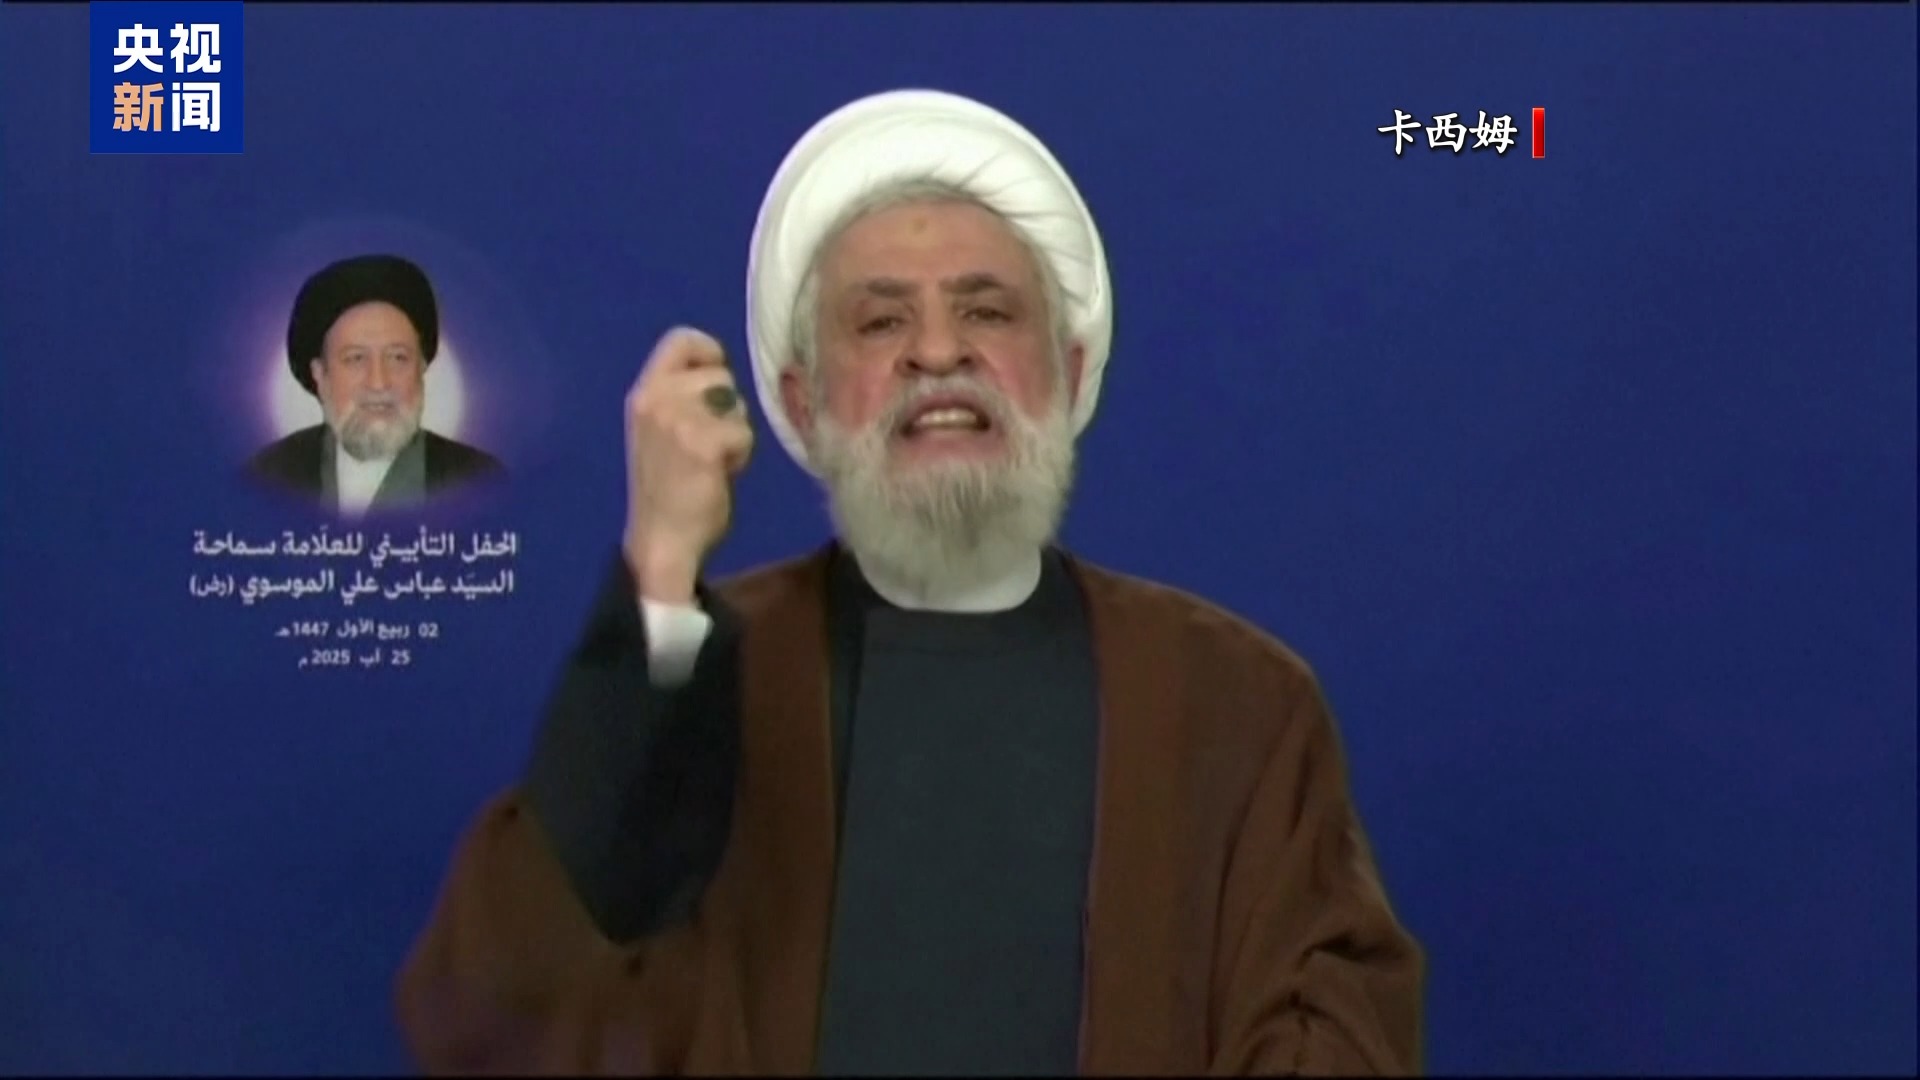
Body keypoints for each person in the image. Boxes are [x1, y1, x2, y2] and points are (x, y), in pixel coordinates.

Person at [394, 89, 1424, 1075]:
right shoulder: (707, 677)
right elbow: (504, 999)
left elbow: (1327, 1024)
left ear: (1069, 373)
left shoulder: (1236, 699)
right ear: (803, 402)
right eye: (881, 322)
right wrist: (660, 576)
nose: (938, 351)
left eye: (987, 311)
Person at [247, 253, 503, 517]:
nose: (379, 383)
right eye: (356, 359)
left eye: (398, 358)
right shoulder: (265, 479)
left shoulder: (482, 483)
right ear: (320, 374)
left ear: (421, 367)